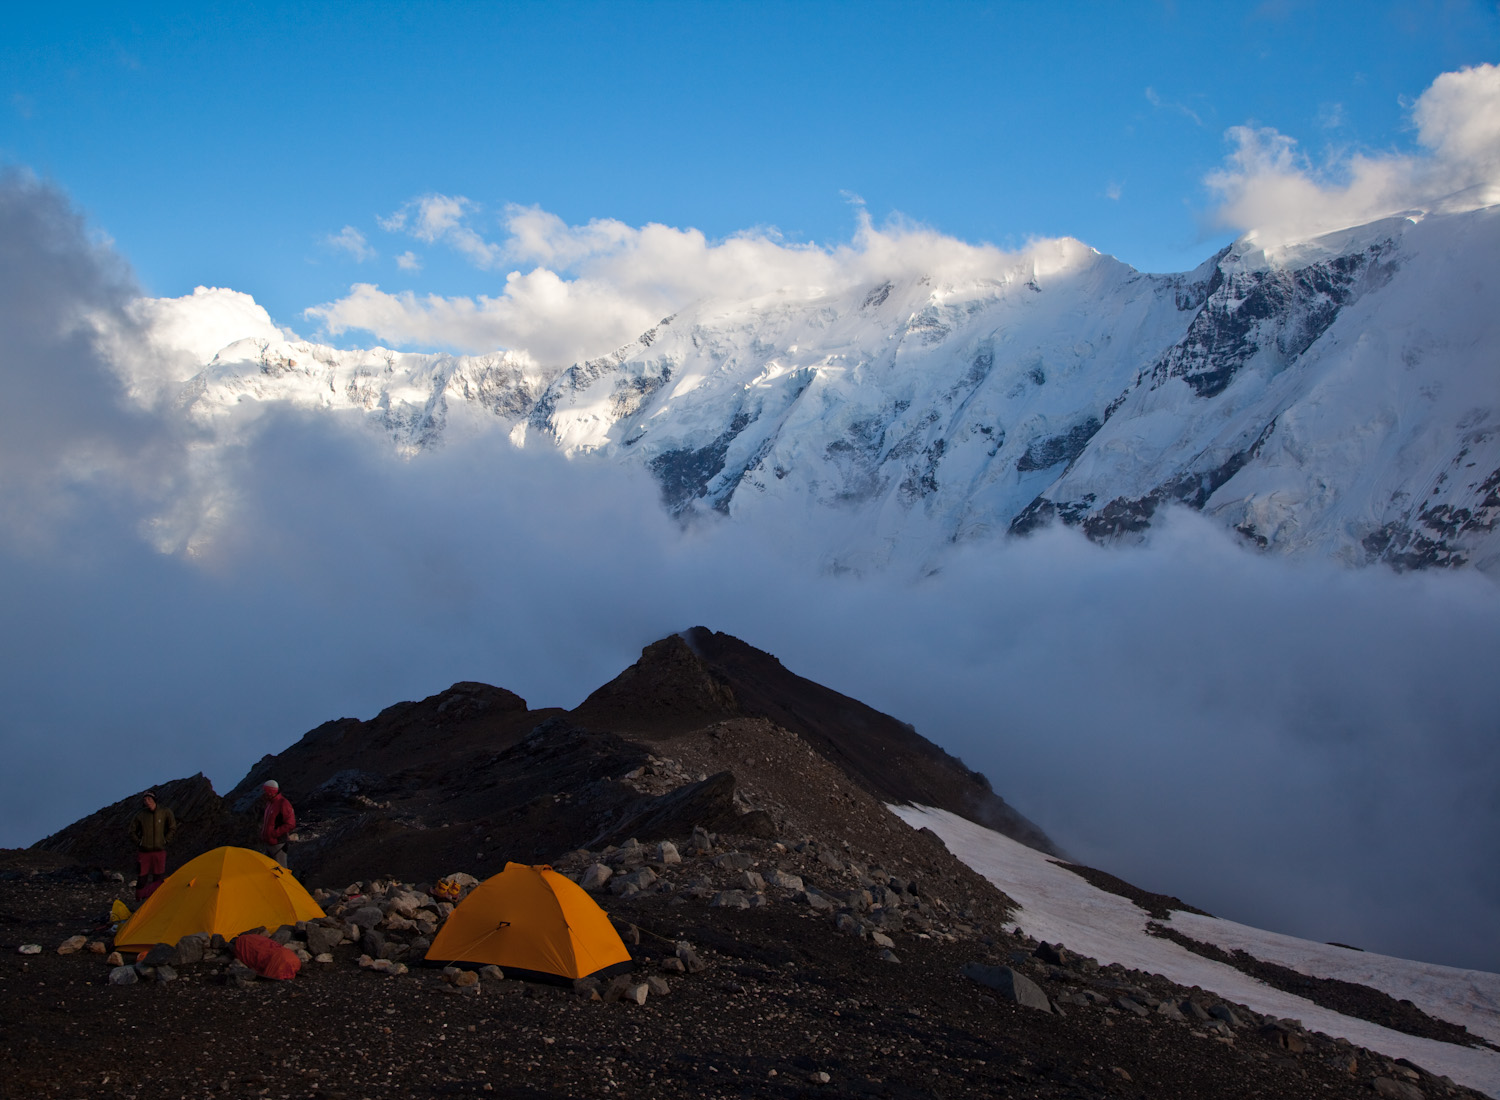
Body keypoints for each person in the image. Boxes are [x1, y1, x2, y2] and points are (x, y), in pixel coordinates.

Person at [129, 790, 176, 901]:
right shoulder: (140, 815)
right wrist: (139, 842)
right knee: (142, 877)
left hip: (159, 850)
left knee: (158, 877)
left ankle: (155, 901)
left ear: (154, 800)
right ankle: (139, 900)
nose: (147, 802)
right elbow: (132, 831)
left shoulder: (165, 812)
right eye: (145, 800)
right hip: (144, 851)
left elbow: (172, 827)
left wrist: (165, 840)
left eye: (149, 799)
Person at [258, 780, 296, 868]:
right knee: (269, 870)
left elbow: (290, 824)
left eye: (265, 791)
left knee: (280, 870)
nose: (263, 793)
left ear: (271, 792)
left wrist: (274, 834)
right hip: (269, 843)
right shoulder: (270, 803)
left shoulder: (283, 803)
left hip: (278, 844)